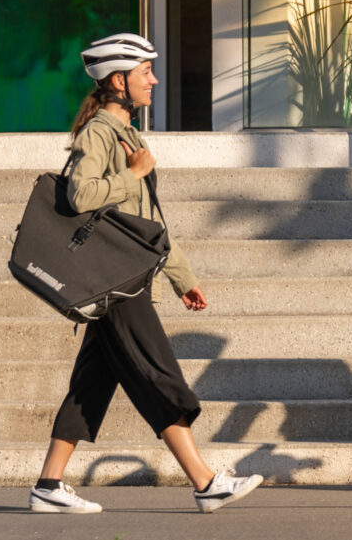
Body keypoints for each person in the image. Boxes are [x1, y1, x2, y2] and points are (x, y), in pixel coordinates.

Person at [28, 32, 264, 514]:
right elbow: (79, 196)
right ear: (118, 80)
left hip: (125, 275)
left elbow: (147, 223)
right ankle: (204, 481)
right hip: (115, 283)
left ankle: (49, 485)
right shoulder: (98, 132)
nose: (154, 80)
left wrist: (183, 277)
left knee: (90, 384)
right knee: (158, 373)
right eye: (145, 73)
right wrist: (131, 174)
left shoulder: (127, 134)